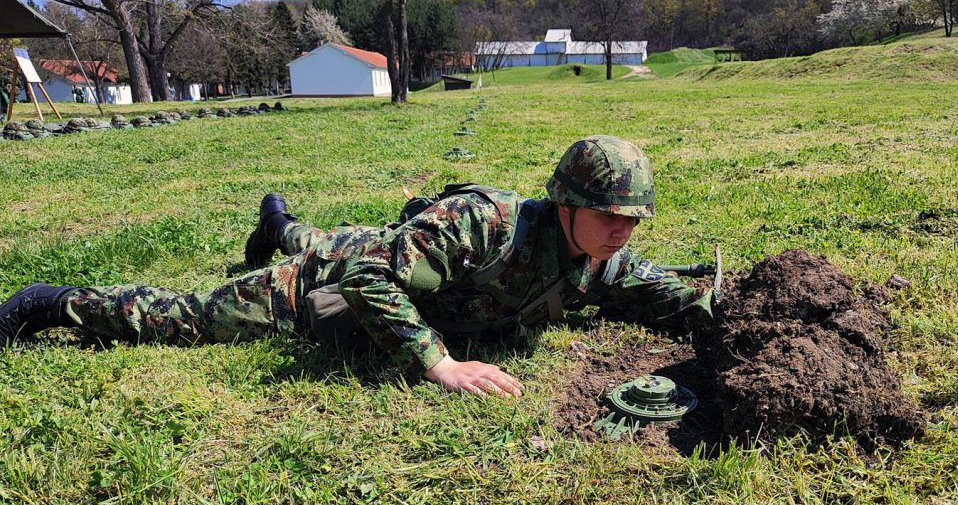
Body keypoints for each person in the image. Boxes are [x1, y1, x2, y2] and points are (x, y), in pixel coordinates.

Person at [0, 136, 714, 397]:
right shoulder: (485, 222)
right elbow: (366, 279)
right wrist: (438, 364)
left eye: (633, 220)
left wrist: (731, 315)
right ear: (564, 203)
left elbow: (666, 296)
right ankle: (45, 300)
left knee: (338, 239)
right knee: (189, 320)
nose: (623, 232)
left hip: (379, 251)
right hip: (332, 280)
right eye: (610, 215)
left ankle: (279, 224)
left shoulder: (599, 260)